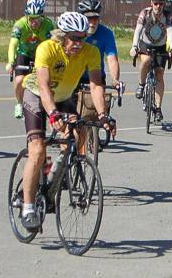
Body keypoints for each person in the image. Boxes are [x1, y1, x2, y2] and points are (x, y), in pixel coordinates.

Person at [18, 12, 115, 231]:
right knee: (37, 150)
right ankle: (28, 206)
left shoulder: (90, 52)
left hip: (63, 98)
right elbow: (43, 85)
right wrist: (52, 114)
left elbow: (96, 85)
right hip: (37, 95)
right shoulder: (47, 48)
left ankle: (58, 175)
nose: (79, 43)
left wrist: (103, 115)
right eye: (74, 38)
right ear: (62, 37)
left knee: (77, 134)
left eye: (82, 38)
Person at [130, 0, 172, 122]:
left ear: (164, 4)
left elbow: (170, 31)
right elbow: (138, 30)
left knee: (159, 74)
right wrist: (134, 46)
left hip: (161, 46)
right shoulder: (145, 13)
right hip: (146, 44)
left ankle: (158, 109)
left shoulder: (167, 15)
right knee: (146, 60)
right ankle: (141, 84)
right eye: (155, 3)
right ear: (151, 3)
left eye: (161, 4)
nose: (158, 6)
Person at [7, 0, 54, 119]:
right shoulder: (20, 24)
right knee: (19, 80)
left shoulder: (48, 25)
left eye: (37, 19)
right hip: (24, 53)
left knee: (47, 80)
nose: (34, 22)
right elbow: (13, 44)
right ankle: (19, 103)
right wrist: (11, 62)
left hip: (40, 54)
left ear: (42, 16)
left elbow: (52, 45)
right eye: (31, 18)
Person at [76, 0, 122, 121]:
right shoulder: (74, 33)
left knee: (99, 113)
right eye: (89, 19)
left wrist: (115, 79)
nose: (92, 23)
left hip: (96, 75)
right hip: (74, 76)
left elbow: (112, 59)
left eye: (95, 18)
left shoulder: (106, 33)